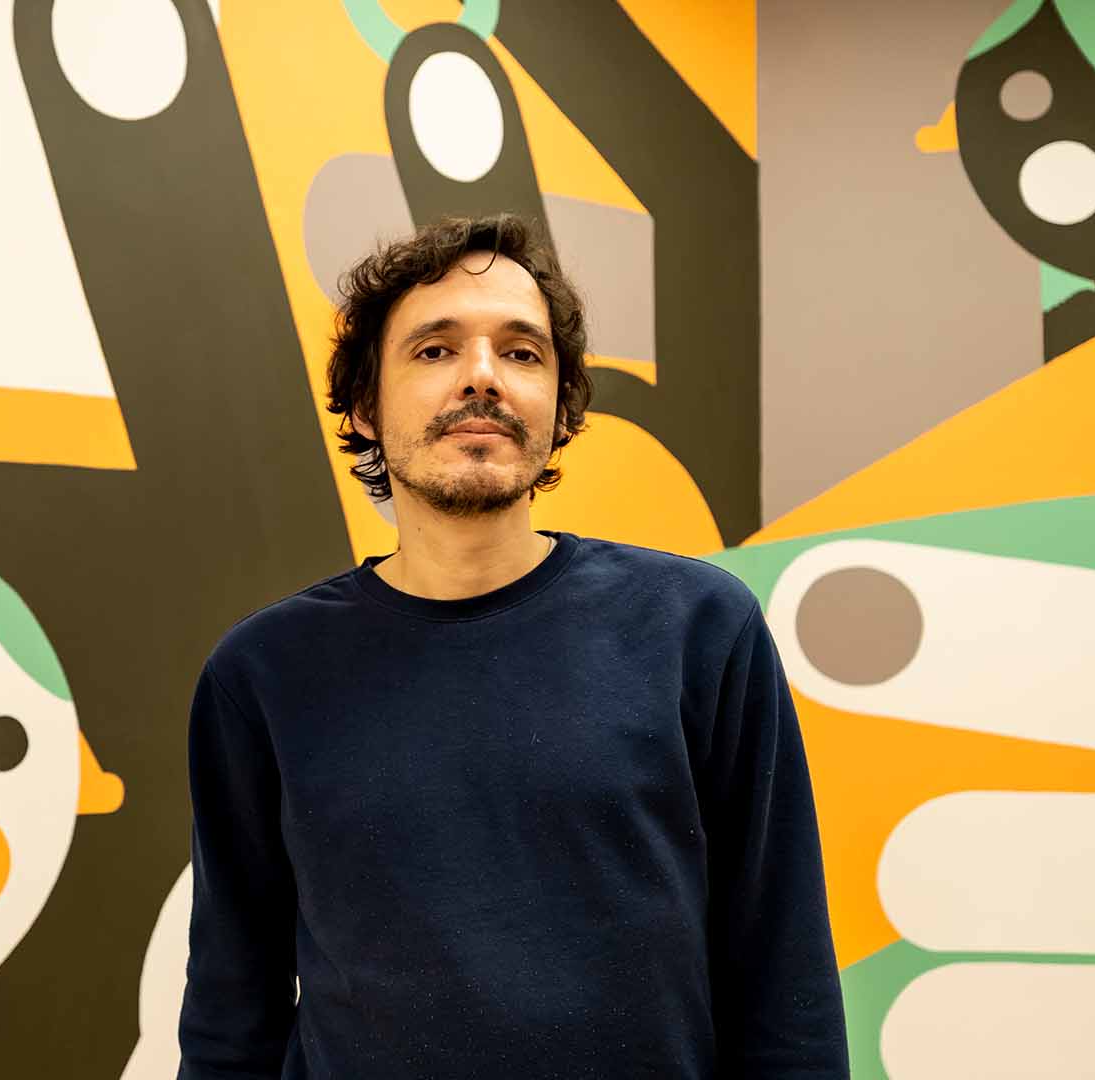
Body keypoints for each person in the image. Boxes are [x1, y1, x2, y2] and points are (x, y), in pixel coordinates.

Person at [177, 214, 848, 1078]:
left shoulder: (696, 628)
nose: (483, 377)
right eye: (434, 350)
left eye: (522, 352)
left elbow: (782, 972)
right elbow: (234, 1008)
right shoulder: (263, 675)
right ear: (363, 407)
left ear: (561, 405)